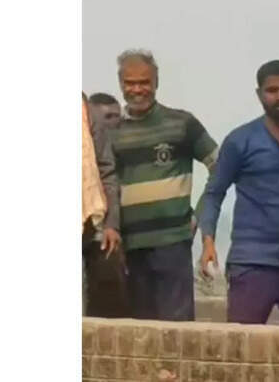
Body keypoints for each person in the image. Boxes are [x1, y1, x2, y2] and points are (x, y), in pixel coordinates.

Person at [198, 60, 279, 325]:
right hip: (251, 263)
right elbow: (214, 193)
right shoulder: (241, 141)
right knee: (241, 348)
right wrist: (208, 241)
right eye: (272, 90)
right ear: (260, 94)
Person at [111, 49, 218, 321]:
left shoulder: (182, 124)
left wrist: (199, 216)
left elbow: (220, 168)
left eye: (144, 82)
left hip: (173, 242)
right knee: (140, 332)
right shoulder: (113, 132)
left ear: (156, 83)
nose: (137, 89)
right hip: (132, 247)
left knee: (176, 331)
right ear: (121, 85)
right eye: (130, 83)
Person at [81, 93, 129, 317]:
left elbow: (106, 172)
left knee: (105, 302)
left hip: (94, 221)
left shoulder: (87, 114)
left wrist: (112, 224)